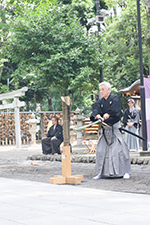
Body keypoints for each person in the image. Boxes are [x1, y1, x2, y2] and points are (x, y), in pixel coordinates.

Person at [90, 82, 131, 179]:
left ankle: (125, 171)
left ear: (109, 89)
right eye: (100, 90)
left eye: (103, 89)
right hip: (105, 130)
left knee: (120, 150)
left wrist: (106, 115)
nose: (101, 92)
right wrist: (98, 116)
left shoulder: (115, 98)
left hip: (115, 128)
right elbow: (95, 110)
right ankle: (101, 172)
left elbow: (115, 112)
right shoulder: (100, 102)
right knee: (101, 151)